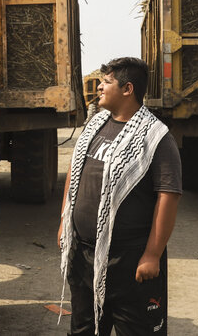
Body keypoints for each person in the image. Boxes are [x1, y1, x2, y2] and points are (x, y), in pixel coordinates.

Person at [58, 57, 181, 336]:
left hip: (130, 261)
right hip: (85, 255)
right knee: (83, 329)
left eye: (107, 82)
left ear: (128, 89)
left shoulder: (155, 137)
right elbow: (74, 171)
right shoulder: (95, 125)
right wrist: (64, 223)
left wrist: (152, 254)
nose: (99, 87)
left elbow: (168, 196)